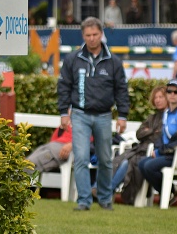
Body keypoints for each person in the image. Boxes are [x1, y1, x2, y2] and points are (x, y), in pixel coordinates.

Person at [57, 16, 130, 211]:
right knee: (80, 158)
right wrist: (64, 112)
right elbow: (63, 86)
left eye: (95, 34)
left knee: (106, 159)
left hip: (105, 115)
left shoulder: (113, 61)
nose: (91, 38)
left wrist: (122, 115)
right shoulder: (73, 59)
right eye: (88, 35)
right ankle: (84, 201)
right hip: (79, 115)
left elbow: (121, 89)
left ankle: (105, 199)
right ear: (83, 35)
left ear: (101, 34)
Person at [138, 79, 177, 200]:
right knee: (142, 164)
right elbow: (163, 137)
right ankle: (171, 191)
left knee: (149, 166)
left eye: (176, 92)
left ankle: (169, 193)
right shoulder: (167, 113)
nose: (172, 94)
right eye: (169, 91)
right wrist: (157, 149)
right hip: (170, 153)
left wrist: (159, 152)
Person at [110, 85, 167, 204]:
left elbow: (159, 136)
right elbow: (139, 133)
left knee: (128, 162)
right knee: (121, 160)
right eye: (155, 97)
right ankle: (105, 190)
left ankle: (106, 191)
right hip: (138, 149)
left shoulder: (169, 117)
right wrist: (152, 131)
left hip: (152, 153)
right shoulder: (152, 117)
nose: (157, 100)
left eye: (161, 97)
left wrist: (149, 130)